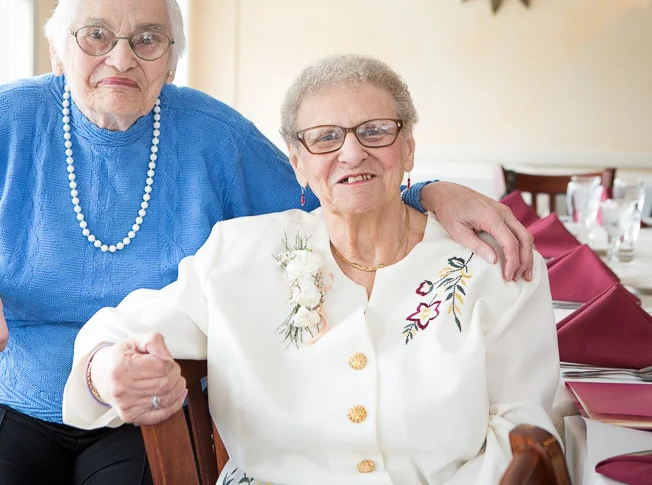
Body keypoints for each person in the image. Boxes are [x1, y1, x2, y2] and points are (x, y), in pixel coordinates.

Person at [0, 0, 536, 484]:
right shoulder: (4, 122)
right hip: (8, 394)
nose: (121, 57)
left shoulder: (215, 138)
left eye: (147, 39)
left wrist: (428, 193)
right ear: (58, 46)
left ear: (171, 59)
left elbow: (329, 188)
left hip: (146, 406)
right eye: (97, 35)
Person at [63, 54, 559, 485]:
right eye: (324, 138)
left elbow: (524, 434)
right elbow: (118, 331)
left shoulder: (493, 263)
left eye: (375, 131)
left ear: (408, 146)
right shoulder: (240, 254)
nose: (351, 151)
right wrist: (107, 369)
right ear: (297, 162)